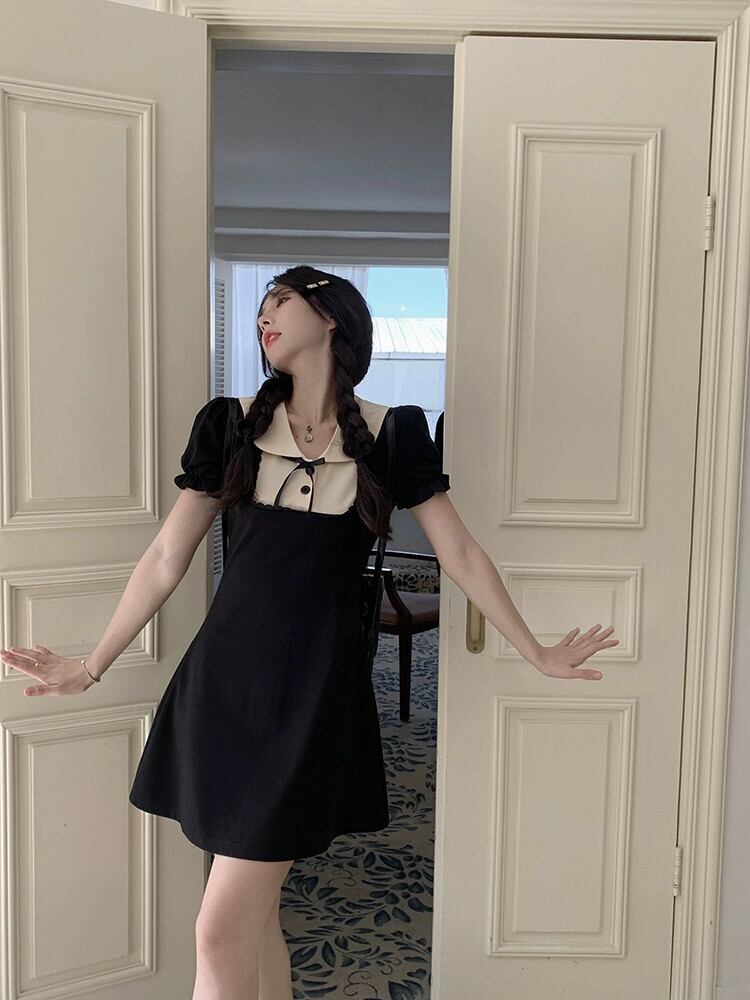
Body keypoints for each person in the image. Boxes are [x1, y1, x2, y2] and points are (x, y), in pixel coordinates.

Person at [0, 265, 619, 1000]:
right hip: (223, 688)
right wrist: (91, 665)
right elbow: (167, 556)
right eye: (261, 306)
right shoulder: (230, 424)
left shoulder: (393, 434)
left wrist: (535, 650)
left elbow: (459, 552)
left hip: (316, 695)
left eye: (281, 301)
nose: (264, 317)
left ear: (330, 318)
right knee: (253, 916)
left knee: (220, 930)